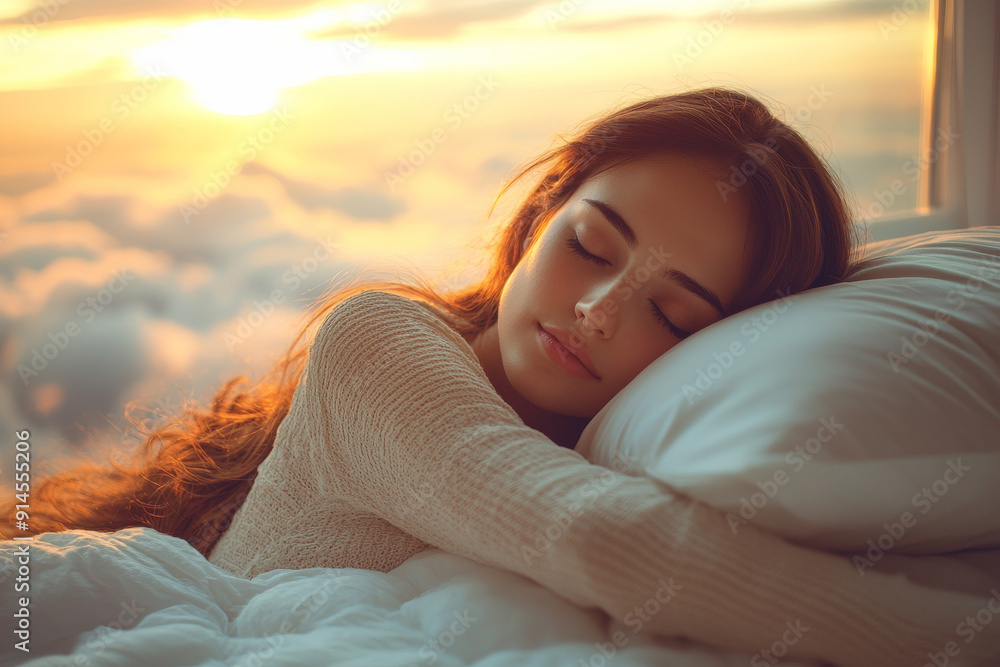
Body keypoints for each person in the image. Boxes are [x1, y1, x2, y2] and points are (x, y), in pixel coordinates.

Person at [5, 87, 995, 665]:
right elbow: (602, 538)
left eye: (672, 311)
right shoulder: (376, 343)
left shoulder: (643, 447)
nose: (598, 310)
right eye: (591, 244)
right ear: (539, 216)